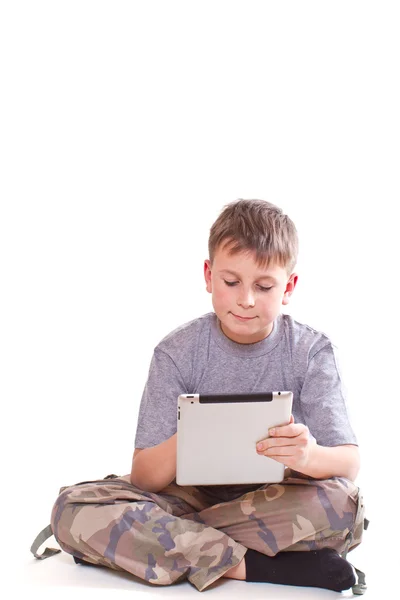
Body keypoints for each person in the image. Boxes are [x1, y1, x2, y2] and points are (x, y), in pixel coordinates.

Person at [49, 199, 366, 593]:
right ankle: (260, 565)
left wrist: (307, 456)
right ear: (208, 275)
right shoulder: (177, 352)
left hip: (275, 497)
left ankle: (159, 544)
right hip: (189, 497)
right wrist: (195, 436)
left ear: (289, 287)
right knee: (71, 510)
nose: (246, 300)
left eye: (264, 286)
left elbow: (348, 464)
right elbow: (147, 477)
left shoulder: (311, 351)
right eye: (231, 282)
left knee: (342, 504)